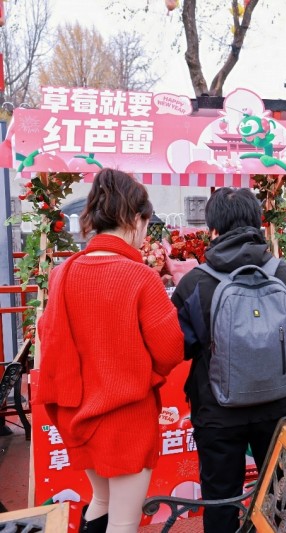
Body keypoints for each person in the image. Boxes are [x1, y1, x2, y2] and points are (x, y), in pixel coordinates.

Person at [36, 169, 184, 533]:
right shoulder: (141, 277)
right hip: (127, 422)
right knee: (123, 524)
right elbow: (170, 351)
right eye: (146, 224)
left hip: (79, 416)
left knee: (99, 503)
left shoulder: (63, 272)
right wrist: (139, 369)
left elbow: (47, 334)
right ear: (135, 218)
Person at [171, 188, 286, 533]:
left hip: (217, 410)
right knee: (281, 490)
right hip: (277, 405)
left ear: (213, 230)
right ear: (257, 223)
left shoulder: (194, 282)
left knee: (221, 496)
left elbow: (182, 345)